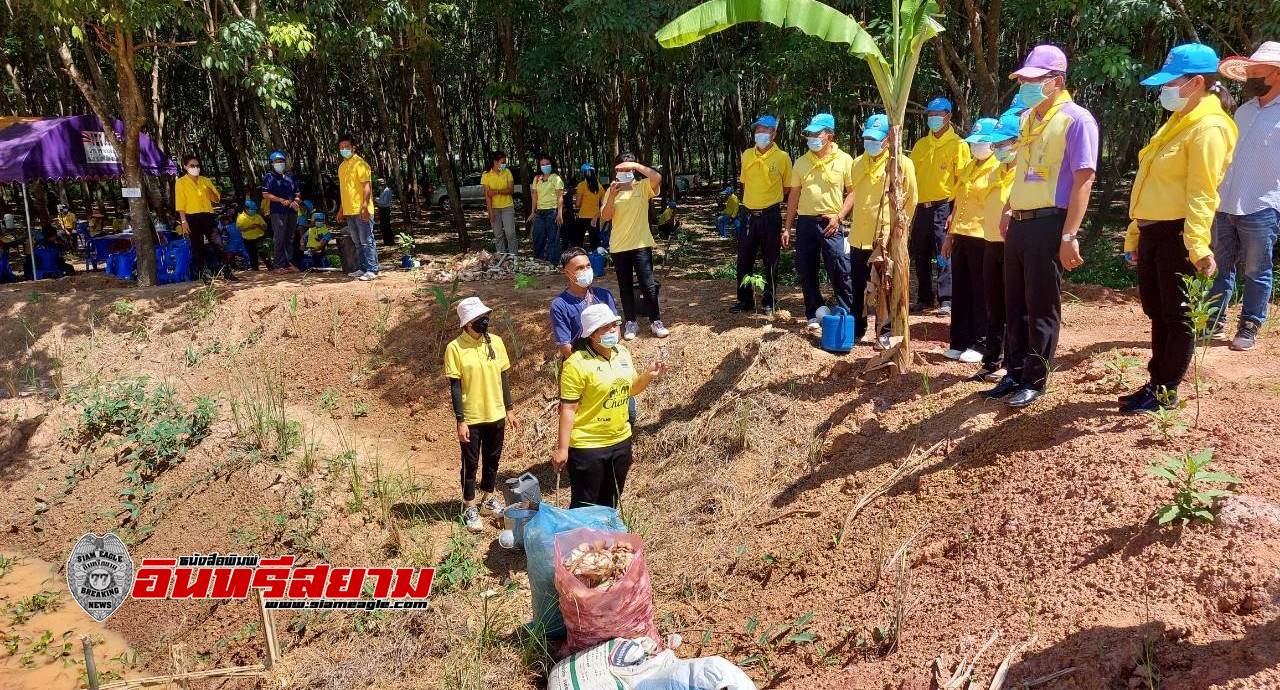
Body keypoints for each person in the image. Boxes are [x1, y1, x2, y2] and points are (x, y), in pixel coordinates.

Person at [1118, 44, 1238, 414]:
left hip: (1179, 233)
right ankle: (1156, 381)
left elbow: (1203, 192)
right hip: (1155, 231)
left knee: (1177, 315)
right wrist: (1135, 234)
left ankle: (1166, 389)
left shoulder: (1209, 128)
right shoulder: (1178, 122)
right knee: (1157, 310)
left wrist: (1198, 245)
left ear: (1197, 83)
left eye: (1171, 82)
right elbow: (1149, 185)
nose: (1164, 90)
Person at [983, 44, 1099, 409]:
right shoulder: (1028, 119)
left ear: (1057, 81)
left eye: (1034, 80)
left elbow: (1084, 178)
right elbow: (1019, 172)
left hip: (1050, 222)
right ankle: (1014, 371)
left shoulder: (1077, 120)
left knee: (1041, 303)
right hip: (1019, 222)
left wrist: (1069, 234)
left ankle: (1035, 378)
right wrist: (1007, 208)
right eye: (1024, 80)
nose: (1026, 86)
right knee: (1013, 301)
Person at [553, 303, 665, 509]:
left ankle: (605, 541)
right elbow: (568, 409)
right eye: (606, 327)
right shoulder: (576, 364)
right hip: (588, 446)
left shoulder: (622, 352)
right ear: (592, 334)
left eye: (615, 325)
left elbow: (630, 389)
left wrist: (648, 375)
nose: (614, 330)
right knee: (585, 506)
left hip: (621, 441)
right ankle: (583, 541)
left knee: (610, 503)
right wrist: (562, 448)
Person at [1209, 41, 1280, 352]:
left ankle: (1250, 323)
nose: (1250, 74)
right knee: (1220, 265)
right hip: (1227, 200)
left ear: (1275, 73)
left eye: (1256, 69)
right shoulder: (1243, 110)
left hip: (1263, 203)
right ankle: (1213, 322)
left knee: (1256, 268)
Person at [830, 113, 916, 343]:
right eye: (868, 138)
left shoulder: (901, 164)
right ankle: (857, 329)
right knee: (857, 285)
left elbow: (911, 200)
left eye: (876, 139)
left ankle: (885, 333)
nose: (871, 143)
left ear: (889, 139)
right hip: (859, 236)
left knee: (885, 288)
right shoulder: (857, 164)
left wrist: (900, 231)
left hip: (885, 238)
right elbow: (855, 195)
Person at [444, 297, 517, 532]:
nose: (485, 321)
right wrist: (460, 420)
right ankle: (469, 505)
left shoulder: (495, 342)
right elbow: (455, 386)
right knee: (470, 463)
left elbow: (504, 377)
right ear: (467, 324)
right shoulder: (455, 348)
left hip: (495, 413)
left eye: (486, 317)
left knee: (493, 459)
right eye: (479, 319)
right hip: (472, 417)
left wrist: (509, 409)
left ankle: (488, 498)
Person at [941, 117, 1007, 364]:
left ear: (992, 144)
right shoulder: (969, 166)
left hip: (984, 236)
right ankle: (959, 341)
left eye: (980, 143)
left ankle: (981, 343)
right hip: (962, 235)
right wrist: (950, 235)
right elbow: (959, 202)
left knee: (982, 294)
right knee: (961, 291)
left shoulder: (997, 167)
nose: (975, 147)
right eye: (973, 143)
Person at [785, 112, 856, 335]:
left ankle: (846, 312)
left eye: (817, 133)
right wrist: (787, 226)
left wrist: (840, 216)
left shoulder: (845, 160)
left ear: (830, 136)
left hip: (831, 222)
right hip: (806, 222)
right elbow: (794, 196)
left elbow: (853, 193)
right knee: (806, 267)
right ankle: (813, 311)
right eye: (809, 134)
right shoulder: (801, 161)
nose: (812, 138)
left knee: (839, 267)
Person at [972, 112, 1022, 382]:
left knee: (1011, 305)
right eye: (997, 143)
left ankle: (1012, 363)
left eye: (1004, 143)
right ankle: (991, 360)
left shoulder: (1024, 173)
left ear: (1018, 142)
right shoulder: (994, 170)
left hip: (1012, 246)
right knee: (993, 305)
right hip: (989, 242)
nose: (999, 148)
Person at [909, 97, 969, 315]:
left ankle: (946, 298)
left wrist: (955, 211)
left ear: (949, 116)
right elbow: (910, 176)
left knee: (944, 252)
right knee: (920, 252)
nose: (934, 118)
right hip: (921, 207)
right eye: (930, 114)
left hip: (944, 206)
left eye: (938, 114)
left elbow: (962, 182)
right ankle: (924, 298)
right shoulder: (920, 145)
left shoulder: (959, 145)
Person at [600, 152, 670, 339]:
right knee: (625, 286)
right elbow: (606, 216)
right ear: (616, 170)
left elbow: (657, 177)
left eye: (629, 168)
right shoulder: (610, 191)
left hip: (640, 244)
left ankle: (656, 320)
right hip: (619, 246)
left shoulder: (643, 186)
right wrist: (613, 196)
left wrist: (636, 165)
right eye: (622, 168)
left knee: (648, 285)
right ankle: (630, 322)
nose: (626, 171)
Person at [733, 115, 792, 315]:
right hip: (748, 214)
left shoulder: (782, 157)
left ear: (773, 134)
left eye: (764, 130)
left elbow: (787, 188)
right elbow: (744, 182)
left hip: (770, 215)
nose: (760, 134)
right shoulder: (747, 155)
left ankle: (769, 301)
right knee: (744, 258)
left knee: (771, 259)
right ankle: (745, 300)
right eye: (757, 130)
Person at [174, 154, 236, 281]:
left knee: (218, 243)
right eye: (192, 165)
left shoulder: (205, 180)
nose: (195, 168)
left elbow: (216, 198)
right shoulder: (180, 183)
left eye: (197, 165)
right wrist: (183, 221)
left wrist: (211, 191)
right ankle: (203, 275)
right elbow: (180, 203)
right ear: (185, 167)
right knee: (197, 246)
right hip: (191, 216)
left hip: (208, 215)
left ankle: (227, 271)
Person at [551, 247, 619, 359]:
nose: (586, 270)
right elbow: (565, 346)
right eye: (580, 268)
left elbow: (615, 327)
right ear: (567, 273)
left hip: (608, 358)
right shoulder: (560, 305)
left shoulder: (604, 295)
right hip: (581, 363)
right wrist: (586, 366)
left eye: (588, 266)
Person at [335, 133, 379, 281]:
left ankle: (372, 269)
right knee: (357, 242)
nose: (344, 149)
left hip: (361, 210)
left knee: (367, 240)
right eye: (341, 147)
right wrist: (341, 210)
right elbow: (344, 191)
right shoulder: (342, 167)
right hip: (349, 211)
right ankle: (362, 268)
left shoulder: (361, 164)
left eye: (346, 147)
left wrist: (365, 206)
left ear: (353, 148)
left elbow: (367, 187)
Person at [262, 151, 303, 273]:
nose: (279, 163)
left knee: (290, 237)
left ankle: (288, 263)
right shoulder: (269, 177)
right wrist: (280, 200)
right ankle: (278, 265)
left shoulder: (290, 176)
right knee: (279, 236)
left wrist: (296, 201)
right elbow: (265, 194)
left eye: (281, 161)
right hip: (277, 211)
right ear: (272, 163)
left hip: (291, 211)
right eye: (276, 161)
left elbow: (297, 192)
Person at [529, 155, 565, 263]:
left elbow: (560, 196)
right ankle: (538, 260)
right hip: (539, 213)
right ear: (539, 166)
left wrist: (560, 213)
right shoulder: (537, 178)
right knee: (538, 236)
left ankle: (553, 262)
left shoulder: (556, 178)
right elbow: (534, 196)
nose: (545, 166)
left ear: (551, 165)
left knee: (553, 238)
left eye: (547, 164)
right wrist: (532, 212)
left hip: (552, 211)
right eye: (542, 165)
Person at [482, 151, 517, 257]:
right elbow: (488, 195)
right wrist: (490, 212)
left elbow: (511, 190)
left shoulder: (507, 172)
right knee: (498, 235)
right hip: (494, 208)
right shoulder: (486, 175)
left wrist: (496, 191)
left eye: (505, 162)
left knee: (510, 233)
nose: (504, 164)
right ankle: (501, 258)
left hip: (507, 206)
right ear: (495, 162)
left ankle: (513, 257)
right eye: (502, 162)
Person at [574, 164, 605, 251]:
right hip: (595, 217)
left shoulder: (581, 185)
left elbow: (578, 204)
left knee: (579, 241)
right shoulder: (599, 186)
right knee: (595, 242)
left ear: (583, 173)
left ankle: (579, 258)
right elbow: (604, 203)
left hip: (583, 216)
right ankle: (596, 259)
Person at [236, 199, 269, 271]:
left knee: (263, 253)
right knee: (252, 255)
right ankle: (255, 269)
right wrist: (249, 228)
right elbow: (239, 229)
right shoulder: (240, 217)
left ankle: (270, 267)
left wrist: (258, 226)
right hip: (248, 240)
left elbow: (265, 227)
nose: (253, 211)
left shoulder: (258, 216)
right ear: (246, 209)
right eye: (252, 209)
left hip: (259, 238)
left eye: (254, 209)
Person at [375, 178, 395, 245]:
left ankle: (390, 241)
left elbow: (384, 202)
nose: (379, 187)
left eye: (379, 185)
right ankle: (386, 241)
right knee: (383, 226)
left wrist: (376, 199)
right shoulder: (382, 191)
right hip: (382, 210)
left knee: (386, 226)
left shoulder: (387, 191)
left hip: (385, 210)